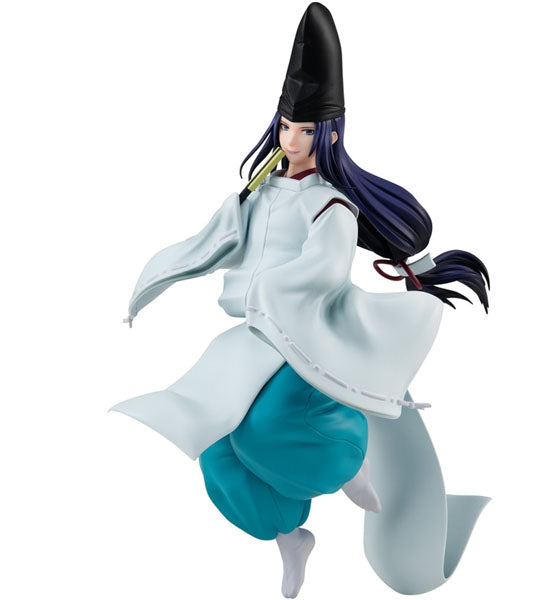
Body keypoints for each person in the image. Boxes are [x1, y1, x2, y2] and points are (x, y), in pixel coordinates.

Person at [112, 4, 491, 598]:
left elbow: (326, 269)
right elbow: (211, 243)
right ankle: (288, 533)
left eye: (305, 130)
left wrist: (269, 291)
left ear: (330, 134)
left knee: (266, 429)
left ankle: (348, 461)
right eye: (286, 127)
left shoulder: (331, 205)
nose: (291, 141)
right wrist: (153, 284)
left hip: (306, 337)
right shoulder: (256, 195)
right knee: (214, 443)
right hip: (251, 339)